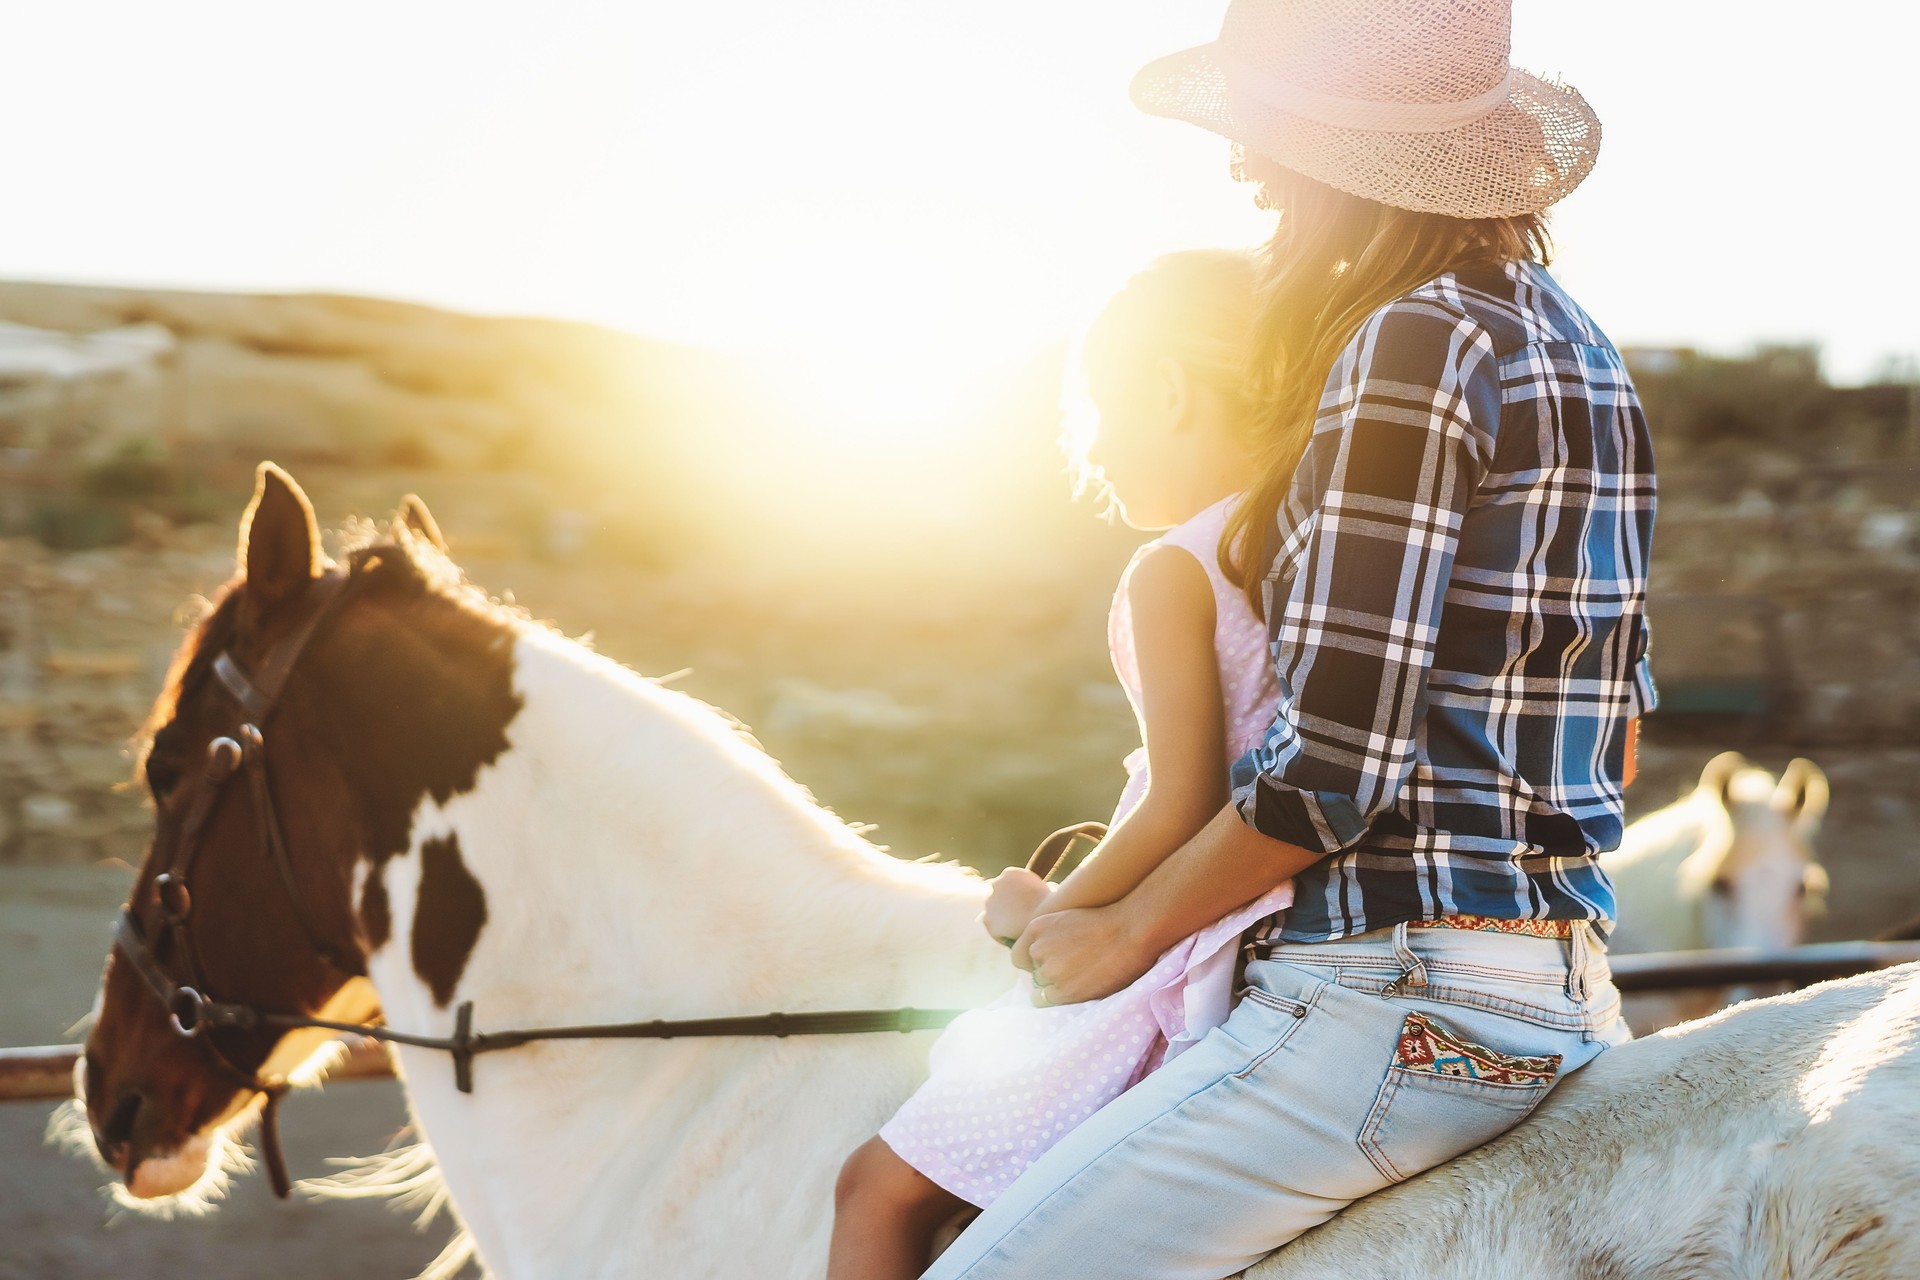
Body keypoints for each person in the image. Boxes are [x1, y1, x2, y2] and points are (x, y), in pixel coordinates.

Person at [920, 1, 1655, 1277]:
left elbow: (1334, 768)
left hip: (1393, 999)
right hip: (1566, 984)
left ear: (1339, 145)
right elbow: (1621, 732)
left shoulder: (1409, 342)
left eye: (1262, 129)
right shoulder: (1584, 351)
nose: (1240, 165)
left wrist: (1121, 930)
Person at [827, 250, 1296, 1280]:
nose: (1092, 450)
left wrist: (1048, 918)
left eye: (1096, 412)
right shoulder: (1306, 540)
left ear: (1169, 389)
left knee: (876, 1188)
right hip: (1266, 908)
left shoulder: (1176, 566)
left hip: (1181, 939)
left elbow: (1182, 799)